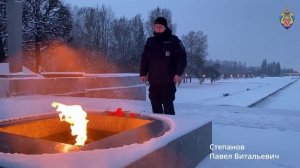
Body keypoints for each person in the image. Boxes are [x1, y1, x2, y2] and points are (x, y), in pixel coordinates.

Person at [140, 16, 187, 115]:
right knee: (154, 103)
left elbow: (182, 58)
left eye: (160, 26)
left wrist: (178, 73)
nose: (158, 28)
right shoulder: (150, 41)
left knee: (168, 104)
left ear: (165, 27)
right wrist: (143, 73)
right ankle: (158, 126)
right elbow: (145, 59)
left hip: (168, 79)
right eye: (156, 26)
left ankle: (172, 128)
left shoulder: (173, 40)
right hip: (154, 80)